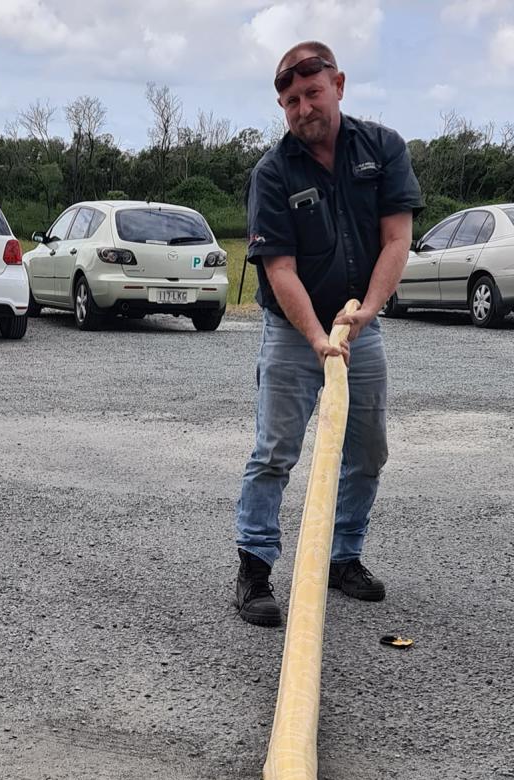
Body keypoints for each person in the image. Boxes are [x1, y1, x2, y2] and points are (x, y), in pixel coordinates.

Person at [234, 41, 423, 626]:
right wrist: (318, 338)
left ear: (338, 85)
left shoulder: (382, 148)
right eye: (290, 101)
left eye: (312, 93)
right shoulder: (273, 172)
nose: (302, 108)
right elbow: (280, 269)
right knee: (275, 452)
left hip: (358, 325)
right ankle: (255, 572)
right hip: (295, 331)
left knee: (367, 450)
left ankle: (342, 559)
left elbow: (397, 239)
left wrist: (366, 313)